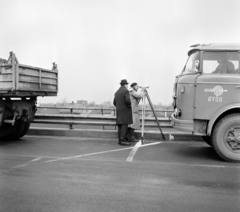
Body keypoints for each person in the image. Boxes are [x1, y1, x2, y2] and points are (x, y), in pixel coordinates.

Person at [113, 79, 133, 146]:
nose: (127, 85)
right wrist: (130, 106)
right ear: (125, 85)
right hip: (125, 111)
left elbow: (114, 102)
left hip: (119, 111)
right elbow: (127, 100)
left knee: (120, 126)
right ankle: (123, 141)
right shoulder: (126, 91)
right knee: (124, 126)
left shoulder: (116, 92)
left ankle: (120, 140)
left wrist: (119, 107)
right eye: (127, 84)